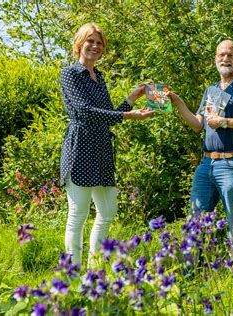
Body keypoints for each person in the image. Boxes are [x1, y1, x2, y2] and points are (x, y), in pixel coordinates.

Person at [60, 22, 154, 266]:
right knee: (78, 215)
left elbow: (107, 116)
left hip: (101, 149)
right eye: (90, 41)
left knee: (107, 212)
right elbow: (84, 111)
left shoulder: (99, 77)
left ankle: (94, 269)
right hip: (80, 147)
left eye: (99, 43)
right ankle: (72, 275)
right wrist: (127, 115)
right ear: (80, 43)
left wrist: (131, 99)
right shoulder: (70, 73)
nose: (95, 46)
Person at [168, 39, 233, 234]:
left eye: (230, 54)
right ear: (215, 59)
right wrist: (178, 103)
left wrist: (224, 121)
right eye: (221, 54)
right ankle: (193, 265)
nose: (225, 58)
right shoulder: (211, 90)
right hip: (206, 164)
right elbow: (197, 124)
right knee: (196, 222)